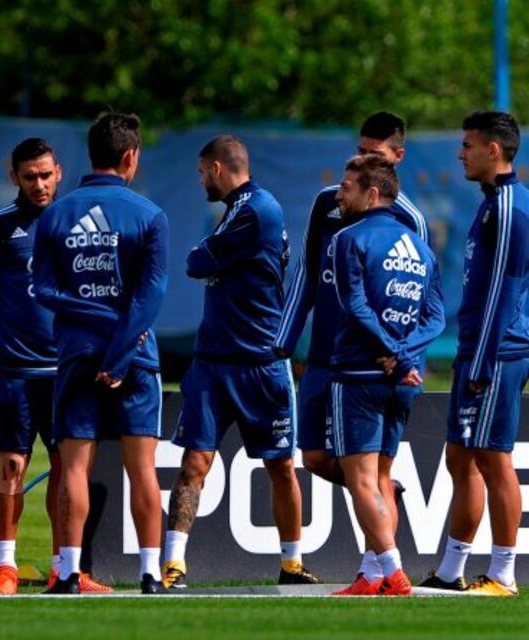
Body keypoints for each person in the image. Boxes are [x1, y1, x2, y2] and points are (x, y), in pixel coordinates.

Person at [272, 111, 430, 585]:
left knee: (373, 475)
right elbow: (304, 275)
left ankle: (374, 571)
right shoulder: (329, 203)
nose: (362, 159)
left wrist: (403, 356)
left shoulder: (410, 221)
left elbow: (414, 296)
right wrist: (283, 341)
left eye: (373, 154)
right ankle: (385, 513)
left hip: (372, 364)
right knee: (317, 459)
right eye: (360, 148)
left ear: (396, 159)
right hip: (324, 356)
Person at [162, 135, 317, 589]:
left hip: (260, 362)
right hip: (213, 363)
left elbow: (196, 262)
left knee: (282, 465)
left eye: (200, 173)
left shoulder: (256, 208)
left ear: (215, 167)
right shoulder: (238, 209)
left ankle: (291, 563)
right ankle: (174, 563)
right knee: (195, 462)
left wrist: (210, 258)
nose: (201, 182)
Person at [33, 112, 169, 595]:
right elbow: (149, 299)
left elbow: (43, 289)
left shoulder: (56, 214)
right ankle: (152, 574)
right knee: (142, 470)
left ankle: (68, 571)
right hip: (134, 358)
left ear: (89, 155)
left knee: (72, 468)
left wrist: (85, 310)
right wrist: (117, 353)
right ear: (130, 157)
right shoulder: (150, 215)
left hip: (75, 354)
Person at [0, 138, 109, 594]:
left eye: (46, 175)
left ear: (60, 172)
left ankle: (63, 566)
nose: (39, 184)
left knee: (67, 468)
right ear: (14, 178)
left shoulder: (76, 224)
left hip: (65, 370)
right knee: (11, 465)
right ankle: (4, 566)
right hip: (14, 373)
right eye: (30, 176)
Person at [423, 111, 529, 596]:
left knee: (493, 456)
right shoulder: (491, 205)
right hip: (476, 348)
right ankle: (451, 570)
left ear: (494, 150)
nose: (460, 152)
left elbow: (504, 294)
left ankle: (504, 573)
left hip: (498, 351)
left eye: (467, 144)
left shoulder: (510, 206)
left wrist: (483, 363)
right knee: (460, 455)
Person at [328, 154, 444, 596]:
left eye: (347, 187)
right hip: (403, 380)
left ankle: (393, 572)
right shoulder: (421, 246)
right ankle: (373, 575)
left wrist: (392, 350)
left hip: (358, 372)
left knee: (360, 480)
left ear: (371, 193)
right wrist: (407, 356)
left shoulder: (347, 238)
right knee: (381, 480)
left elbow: (354, 306)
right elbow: (436, 318)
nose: (340, 194)